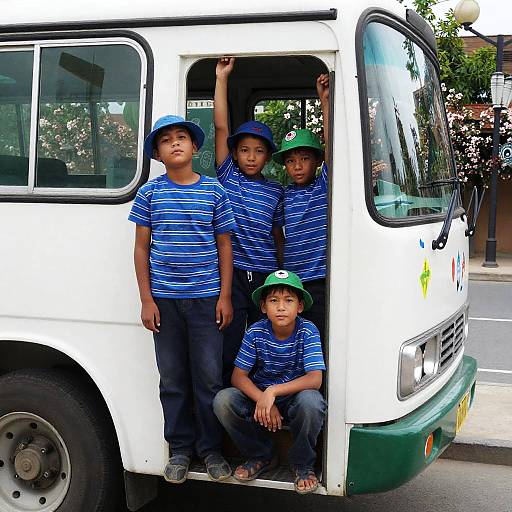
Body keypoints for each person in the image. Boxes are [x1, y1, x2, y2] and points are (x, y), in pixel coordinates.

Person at [128, 114, 236, 484]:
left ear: (194, 147)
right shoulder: (150, 193)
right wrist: (146, 299)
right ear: (157, 153)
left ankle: (211, 450)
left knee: (208, 379)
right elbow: (142, 249)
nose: (175, 143)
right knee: (172, 379)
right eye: (166, 140)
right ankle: (179, 450)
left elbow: (225, 247)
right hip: (165, 301)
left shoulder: (213, 192)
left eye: (182, 137)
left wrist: (225, 297)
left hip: (207, 300)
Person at [214, 270, 326, 494]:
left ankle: (302, 464)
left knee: (312, 403)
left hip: (294, 397)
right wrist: (263, 398)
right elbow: (238, 376)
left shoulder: (308, 331)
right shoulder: (256, 332)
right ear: (263, 307)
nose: (281, 307)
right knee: (223, 401)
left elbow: (315, 379)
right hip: (262, 399)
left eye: (289, 300)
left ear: (300, 307)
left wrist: (273, 392)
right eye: (274, 301)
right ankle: (260, 454)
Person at [214, 56, 285, 386]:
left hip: (266, 273)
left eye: (258, 151)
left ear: (268, 156)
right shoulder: (228, 177)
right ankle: (231, 392)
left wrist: (281, 273)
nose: (251, 157)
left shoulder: (275, 190)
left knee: (265, 335)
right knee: (229, 335)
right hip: (232, 273)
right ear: (235, 154)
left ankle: (264, 391)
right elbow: (221, 128)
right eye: (244, 150)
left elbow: (277, 235)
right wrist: (222, 78)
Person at [272, 74, 330, 344]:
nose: (297, 166)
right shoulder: (283, 196)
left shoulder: (323, 187)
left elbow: (333, 148)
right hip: (292, 281)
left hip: (318, 280)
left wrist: (324, 102)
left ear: (317, 161)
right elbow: (278, 235)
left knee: (317, 336)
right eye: (291, 160)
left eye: (305, 158)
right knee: (292, 338)